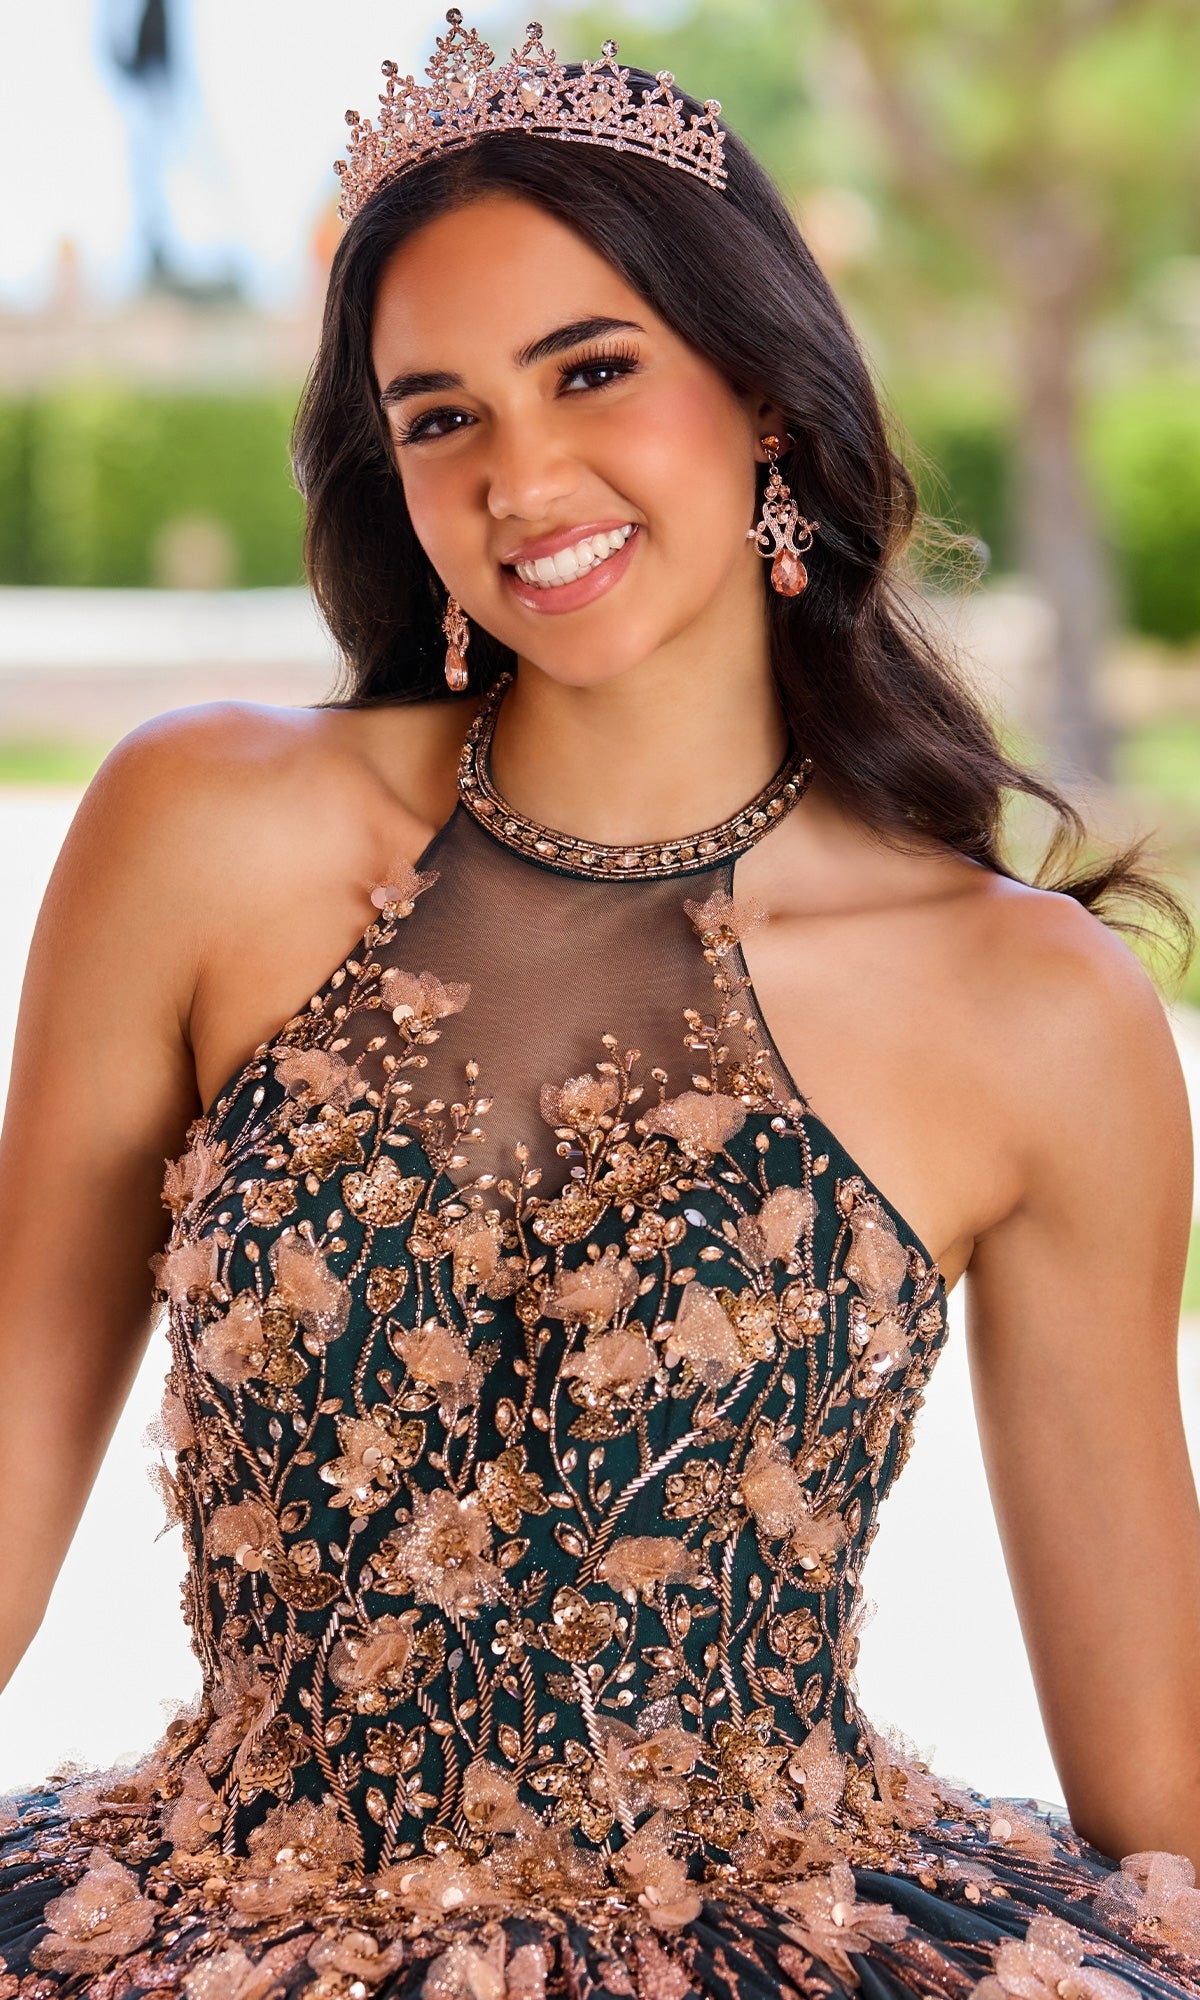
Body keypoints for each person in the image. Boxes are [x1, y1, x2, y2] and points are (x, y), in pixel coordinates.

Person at [2, 13, 1200, 1997]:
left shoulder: (1033, 1011)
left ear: (764, 395)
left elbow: (1161, 1789)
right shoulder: (200, 830)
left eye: (592, 369)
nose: (522, 474)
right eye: (439, 414)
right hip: (196, 1922)